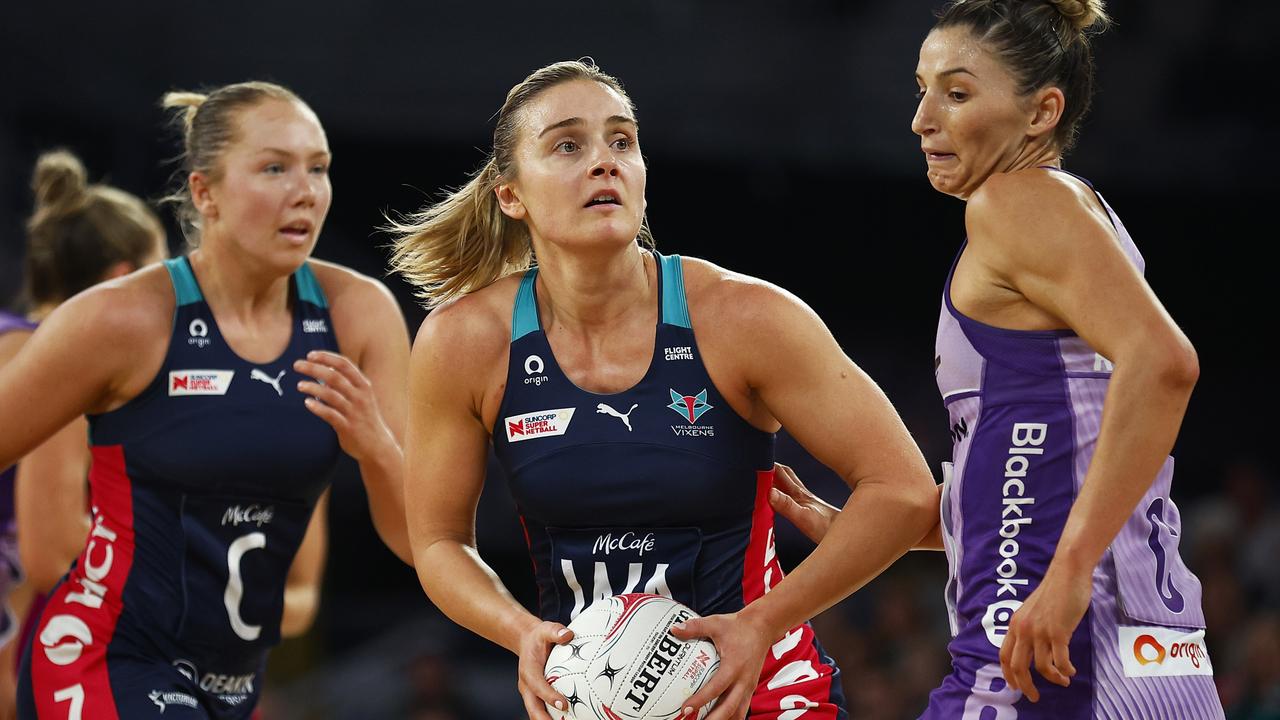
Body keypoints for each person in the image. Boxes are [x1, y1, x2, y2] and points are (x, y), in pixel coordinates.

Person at [391, 59, 940, 720]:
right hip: (590, 701)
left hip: (763, 695)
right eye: (569, 145)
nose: (604, 162)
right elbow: (439, 543)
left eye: (621, 141)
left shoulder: (745, 319)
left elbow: (903, 490)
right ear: (511, 195)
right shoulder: (465, 342)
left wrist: (764, 621)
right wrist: (518, 631)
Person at [772, 1, 1225, 717]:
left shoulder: (1014, 204)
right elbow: (1051, 461)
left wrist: (1070, 570)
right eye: (920, 88)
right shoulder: (1076, 214)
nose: (923, 118)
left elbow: (1165, 362)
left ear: (1042, 112)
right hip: (1152, 661)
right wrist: (914, 530)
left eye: (955, 93)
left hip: (1046, 662)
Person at [0, 81, 412, 718]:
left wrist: (378, 448)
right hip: (104, 657)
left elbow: (421, 543)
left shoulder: (359, 314)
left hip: (230, 682)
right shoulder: (122, 319)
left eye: (319, 168)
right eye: (274, 167)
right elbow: (44, 542)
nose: (305, 191)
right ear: (205, 192)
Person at [0, 149, 169, 720]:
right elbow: (50, 551)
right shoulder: (65, 363)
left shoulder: (13, 340)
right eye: (160, 275)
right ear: (123, 278)